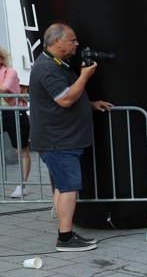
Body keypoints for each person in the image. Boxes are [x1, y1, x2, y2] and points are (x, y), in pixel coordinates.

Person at [28, 23, 114, 251]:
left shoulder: (57, 64)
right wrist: (85, 76)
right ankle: (65, 239)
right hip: (58, 142)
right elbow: (64, 99)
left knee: (62, 186)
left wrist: (89, 104)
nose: (77, 44)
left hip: (60, 140)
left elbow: (66, 98)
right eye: (72, 40)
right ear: (57, 42)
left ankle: (65, 233)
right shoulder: (47, 67)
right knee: (68, 188)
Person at [0, 46, 31, 197]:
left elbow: (4, 89)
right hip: (1, 113)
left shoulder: (10, 72)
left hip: (13, 112)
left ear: (1, 59)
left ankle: (22, 185)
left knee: (21, 150)